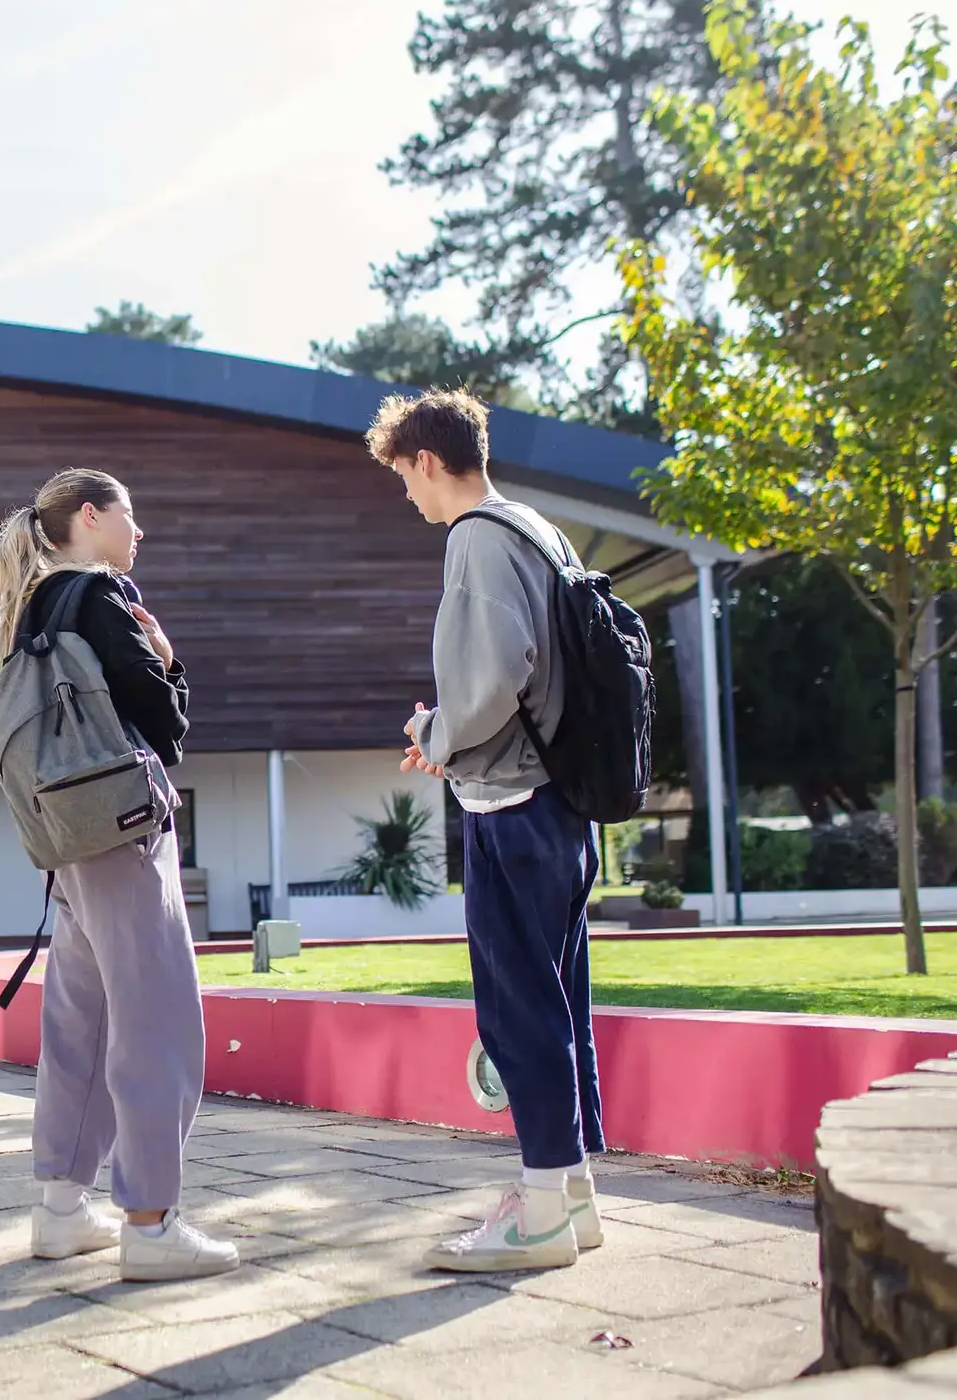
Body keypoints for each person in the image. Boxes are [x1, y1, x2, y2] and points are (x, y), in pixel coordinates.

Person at [366, 389, 605, 1273]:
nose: (409, 498)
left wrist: (435, 733)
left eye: (404, 478)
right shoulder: (541, 530)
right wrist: (457, 729)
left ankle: (541, 1211)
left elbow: (496, 676)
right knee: (559, 1000)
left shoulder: (474, 539)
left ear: (428, 460)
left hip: (512, 805)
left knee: (518, 1009)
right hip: (565, 802)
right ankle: (569, 1195)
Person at [0, 467, 239, 1283]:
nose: (140, 532)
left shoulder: (31, 609)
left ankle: (61, 1209)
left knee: (79, 1029)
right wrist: (168, 659)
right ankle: (151, 1221)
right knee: (158, 1020)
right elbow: (165, 726)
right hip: (124, 833)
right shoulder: (100, 596)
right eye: (131, 514)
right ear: (89, 516)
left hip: (68, 842)